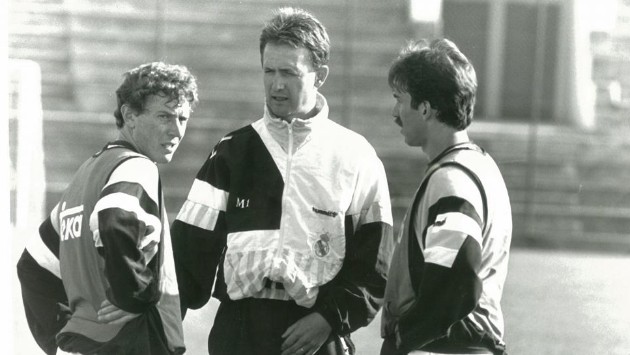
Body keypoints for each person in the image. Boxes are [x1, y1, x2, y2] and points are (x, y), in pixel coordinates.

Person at [171, 7, 393, 355]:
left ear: (320, 75)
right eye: (269, 71)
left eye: (290, 72)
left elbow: (375, 264)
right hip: (240, 330)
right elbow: (186, 254)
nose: (276, 84)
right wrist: (160, 329)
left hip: (317, 333)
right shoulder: (232, 151)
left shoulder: (356, 155)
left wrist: (328, 319)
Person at [16, 62, 199, 355]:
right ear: (129, 115)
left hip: (81, 344)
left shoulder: (86, 175)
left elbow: (32, 265)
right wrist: (138, 298)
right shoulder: (137, 167)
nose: (176, 130)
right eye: (164, 116)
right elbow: (116, 221)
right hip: (129, 342)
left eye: (183, 118)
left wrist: (60, 337)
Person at [380, 39, 512, 355]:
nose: (395, 112)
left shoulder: (451, 179)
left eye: (400, 99)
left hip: (445, 348)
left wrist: (405, 338)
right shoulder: (477, 163)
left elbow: (457, 281)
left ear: (425, 108)